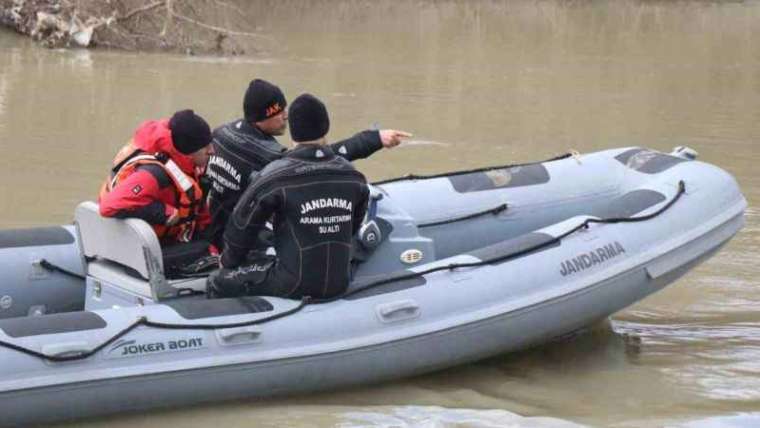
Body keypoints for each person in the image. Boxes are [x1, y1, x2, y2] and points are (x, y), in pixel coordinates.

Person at [205, 78, 410, 249]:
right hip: (237, 238)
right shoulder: (268, 154)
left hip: (217, 222)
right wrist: (374, 139)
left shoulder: (221, 132)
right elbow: (318, 158)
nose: (286, 116)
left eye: (285, 108)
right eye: (278, 112)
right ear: (260, 117)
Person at [207, 94, 370, 299]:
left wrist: (228, 262)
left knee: (217, 280)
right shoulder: (353, 176)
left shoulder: (275, 176)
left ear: (293, 131)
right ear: (326, 127)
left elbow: (242, 226)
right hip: (340, 282)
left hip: (290, 284)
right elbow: (352, 226)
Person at [99, 110, 216, 274]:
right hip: (135, 251)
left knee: (213, 242)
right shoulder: (154, 174)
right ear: (189, 150)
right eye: (206, 147)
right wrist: (163, 212)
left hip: (158, 238)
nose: (212, 151)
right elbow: (108, 206)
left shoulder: (184, 165)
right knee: (209, 253)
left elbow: (198, 210)